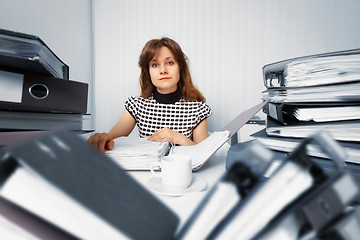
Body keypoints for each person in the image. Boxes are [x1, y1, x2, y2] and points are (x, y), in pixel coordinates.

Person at [87, 37, 211, 152]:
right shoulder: (137, 105)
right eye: (155, 65)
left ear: (180, 68)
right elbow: (110, 140)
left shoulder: (197, 109)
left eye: (170, 63)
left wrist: (179, 138)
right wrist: (102, 139)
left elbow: (204, 153)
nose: (163, 70)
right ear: (148, 72)